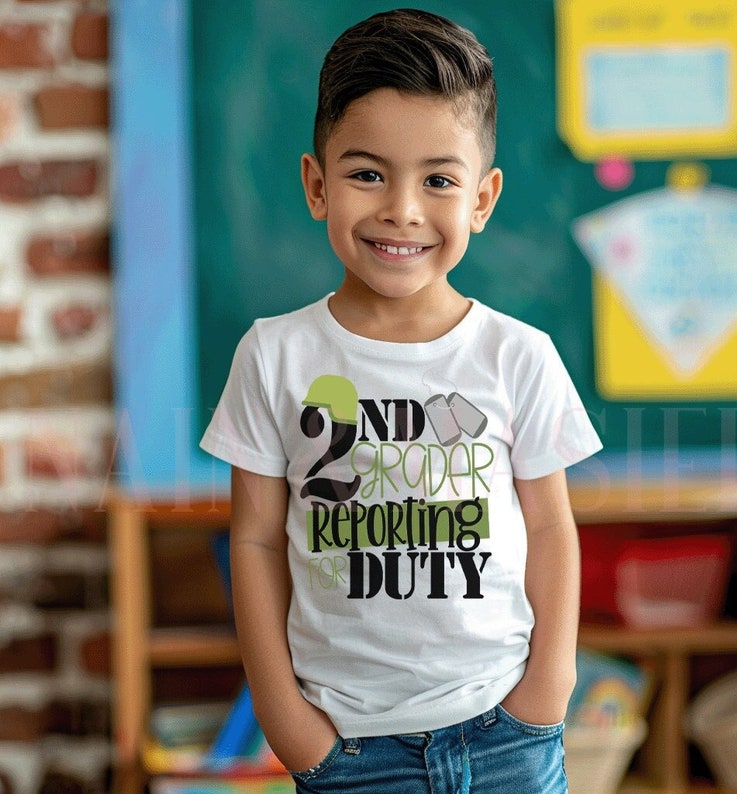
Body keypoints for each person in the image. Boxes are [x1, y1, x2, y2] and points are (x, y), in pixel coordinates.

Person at [200, 8, 602, 793]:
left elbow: (551, 524)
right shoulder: (274, 356)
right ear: (317, 184)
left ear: (481, 201)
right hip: (347, 749)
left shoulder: (518, 356)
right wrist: (288, 723)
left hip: (505, 737)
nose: (402, 209)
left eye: (439, 180)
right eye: (367, 173)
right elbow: (252, 542)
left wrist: (547, 690)